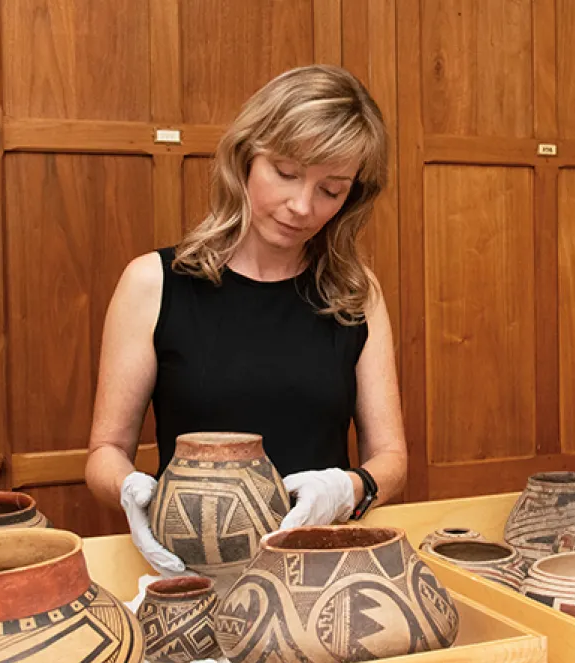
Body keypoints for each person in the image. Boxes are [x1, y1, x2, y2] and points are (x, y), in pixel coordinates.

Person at [85, 64, 406, 576]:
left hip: (318, 574)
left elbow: (390, 457)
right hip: (193, 572)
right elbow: (105, 451)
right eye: (286, 172)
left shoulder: (354, 294)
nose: (301, 206)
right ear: (246, 157)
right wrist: (131, 492)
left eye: (331, 189)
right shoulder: (153, 283)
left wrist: (347, 489)